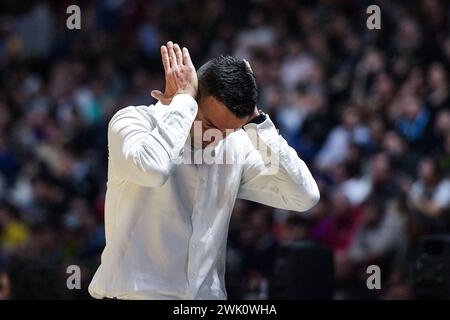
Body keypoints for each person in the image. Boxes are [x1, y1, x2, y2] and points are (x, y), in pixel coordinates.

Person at [88, 41, 319, 300]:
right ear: (193, 94)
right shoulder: (133, 121)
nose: (215, 138)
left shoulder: (235, 143)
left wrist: (258, 124)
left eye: (228, 130)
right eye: (209, 124)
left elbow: (303, 196)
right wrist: (183, 102)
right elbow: (153, 170)